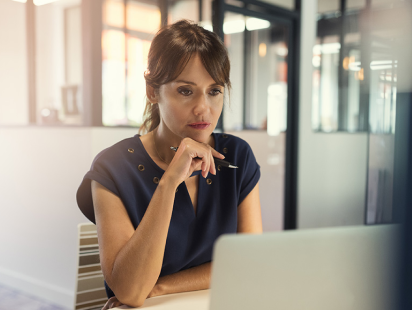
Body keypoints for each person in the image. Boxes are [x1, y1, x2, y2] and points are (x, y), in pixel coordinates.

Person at [76, 19, 262, 309]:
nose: (204, 108)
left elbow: (249, 262)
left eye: (214, 91)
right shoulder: (113, 168)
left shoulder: (236, 156)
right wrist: (168, 183)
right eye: (186, 91)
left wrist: (161, 287)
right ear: (153, 91)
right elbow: (129, 291)